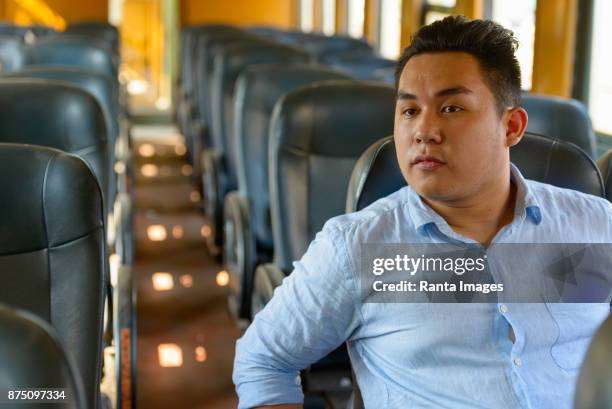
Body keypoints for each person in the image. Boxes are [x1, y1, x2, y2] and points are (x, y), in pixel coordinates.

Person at [233, 16, 612, 409]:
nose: (424, 131)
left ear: (511, 126)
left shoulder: (596, 226)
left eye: (451, 108)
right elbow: (262, 360)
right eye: (410, 111)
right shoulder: (358, 248)